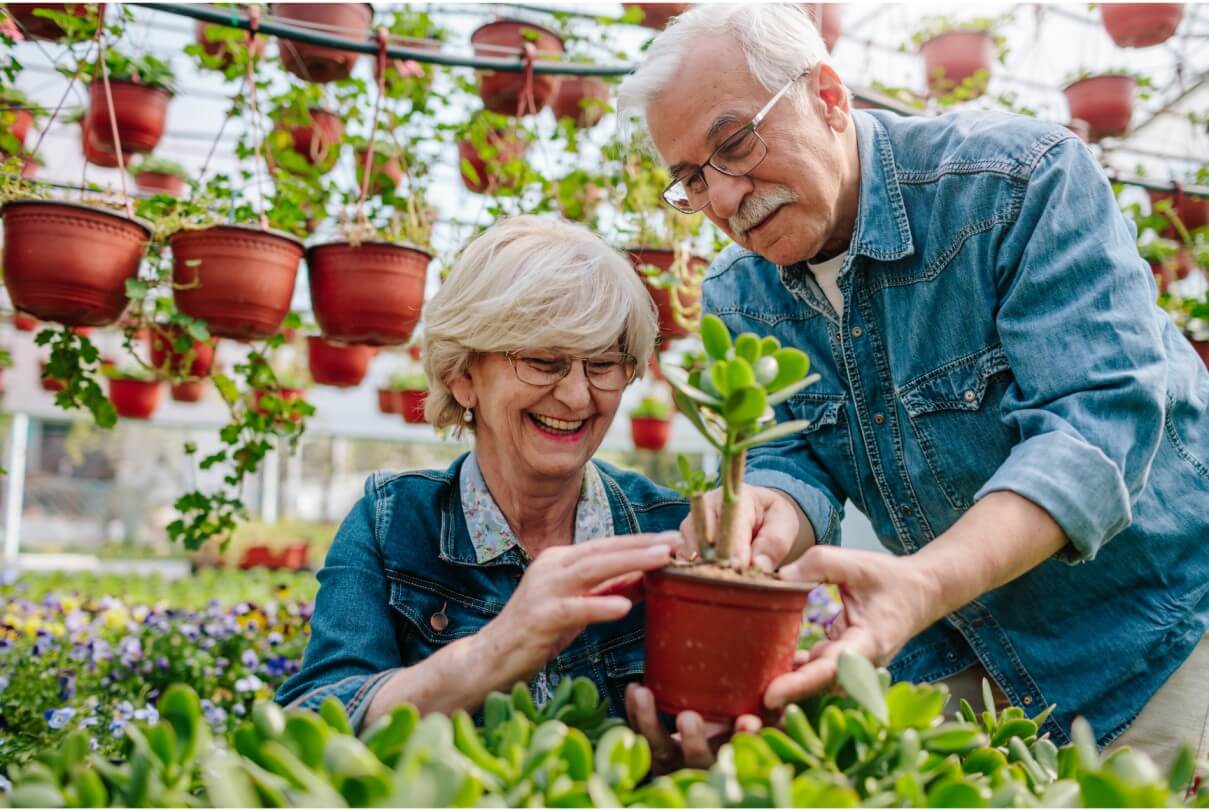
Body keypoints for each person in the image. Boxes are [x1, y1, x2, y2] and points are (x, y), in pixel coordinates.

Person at [617, 4, 1209, 769]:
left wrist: (920, 585)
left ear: (828, 95)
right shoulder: (740, 293)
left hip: (1146, 632)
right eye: (691, 180)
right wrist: (771, 505)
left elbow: (1093, 429)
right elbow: (798, 457)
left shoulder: (1013, 183)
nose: (723, 200)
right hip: (955, 646)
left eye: (733, 143)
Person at [277, 216, 690, 734]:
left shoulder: (671, 530)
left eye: (604, 364)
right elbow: (311, 719)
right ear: (463, 376)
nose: (577, 396)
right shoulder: (393, 524)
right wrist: (493, 652)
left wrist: (689, 759)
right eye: (544, 361)